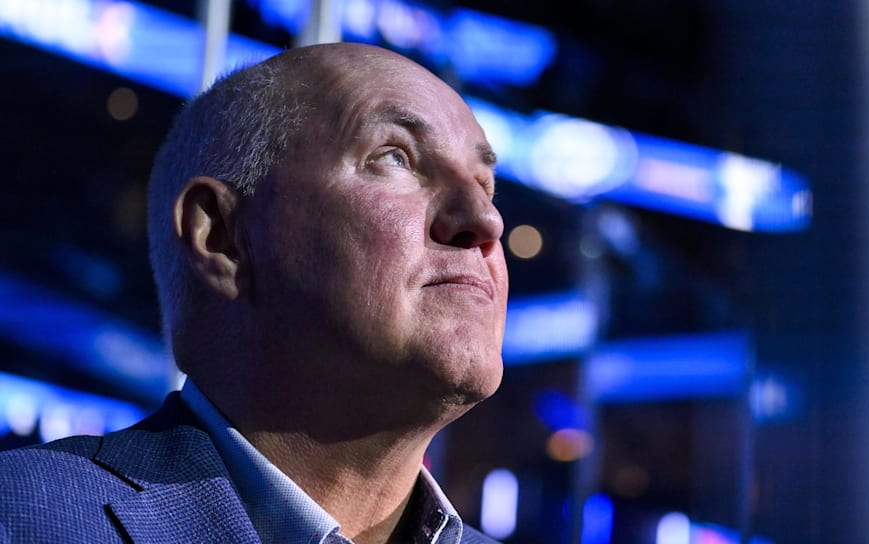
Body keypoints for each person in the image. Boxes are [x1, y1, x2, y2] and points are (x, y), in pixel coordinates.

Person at [0, 43, 509, 544]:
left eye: (486, 185)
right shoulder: (22, 519)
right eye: (395, 157)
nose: (485, 220)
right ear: (222, 236)